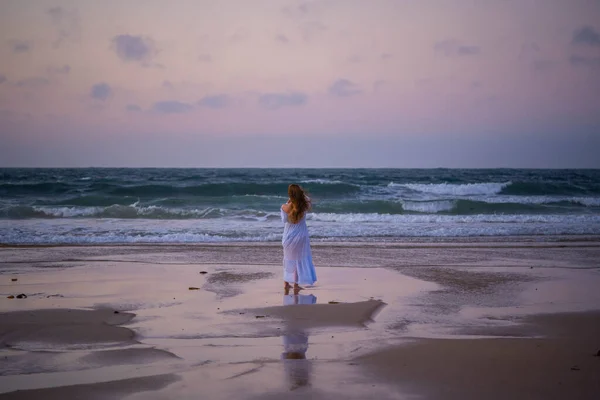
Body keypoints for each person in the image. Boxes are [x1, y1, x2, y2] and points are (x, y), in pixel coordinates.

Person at [281, 184, 317, 293]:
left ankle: (286, 283)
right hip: (301, 236)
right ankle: (296, 284)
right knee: (298, 260)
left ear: (290, 194)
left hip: (288, 236)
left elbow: (284, 220)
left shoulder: (284, 207)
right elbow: (307, 198)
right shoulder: (304, 205)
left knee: (288, 259)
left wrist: (289, 201)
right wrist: (300, 196)